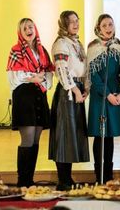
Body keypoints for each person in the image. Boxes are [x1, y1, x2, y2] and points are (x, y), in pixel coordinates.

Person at [6, 18, 54, 187]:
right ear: (20, 32)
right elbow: (13, 76)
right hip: (24, 96)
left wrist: (41, 80)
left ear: (35, 29)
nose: (28, 30)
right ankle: (22, 181)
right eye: (24, 28)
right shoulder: (16, 50)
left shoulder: (42, 50)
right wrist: (33, 77)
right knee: (27, 139)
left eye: (31, 26)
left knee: (36, 140)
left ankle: (30, 180)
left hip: (39, 96)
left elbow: (48, 73)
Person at [49, 10, 90, 191]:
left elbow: (83, 67)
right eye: (71, 21)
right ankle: (62, 180)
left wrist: (85, 87)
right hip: (67, 94)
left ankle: (68, 178)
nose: (75, 24)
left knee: (72, 135)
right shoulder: (61, 43)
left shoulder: (77, 43)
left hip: (77, 91)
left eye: (76, 20)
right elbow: (62, 69)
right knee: (64, 136)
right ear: (64, 25)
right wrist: (74, 89)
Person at [87, 14, 120, 184]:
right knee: (100, 135)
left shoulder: (119, 46)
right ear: (98, 28)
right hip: (100, 96)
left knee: (109, 136)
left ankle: (109, 176)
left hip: (116, 94)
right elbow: (93, 75)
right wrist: (108, 94)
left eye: (110, 24)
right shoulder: (93, 47)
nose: (108, 28)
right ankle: (99, 176)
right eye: (104, 25)